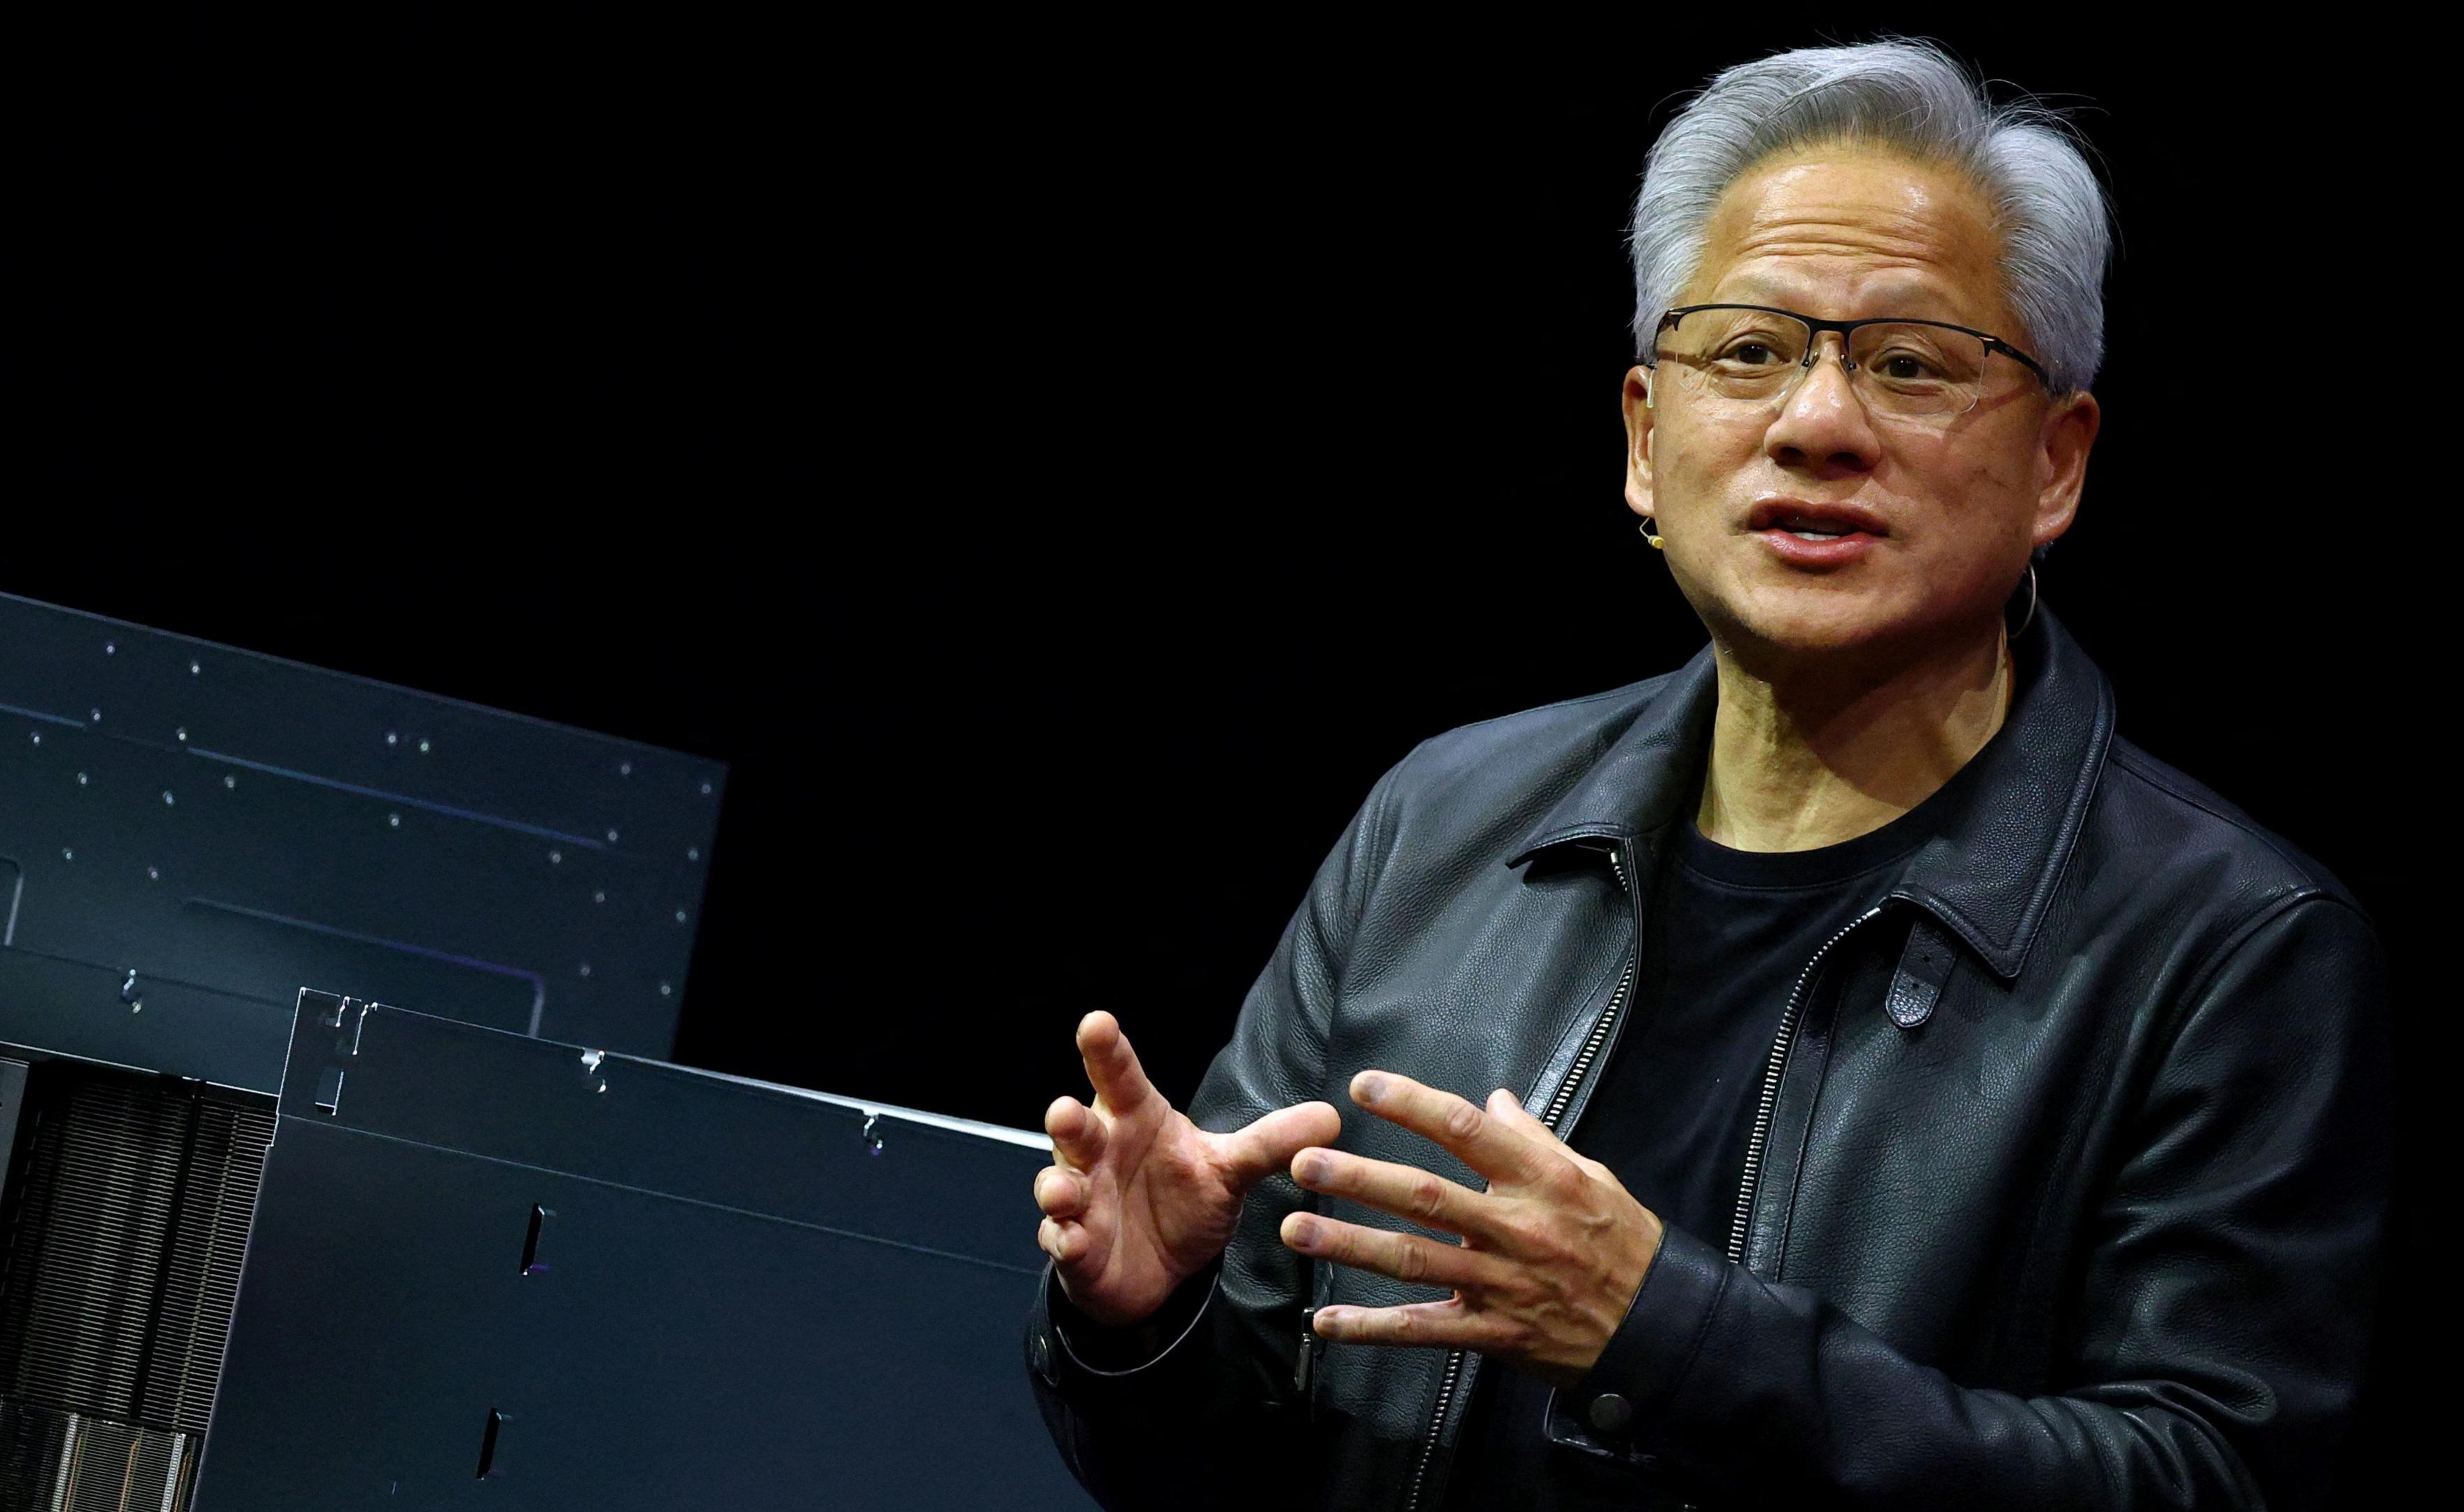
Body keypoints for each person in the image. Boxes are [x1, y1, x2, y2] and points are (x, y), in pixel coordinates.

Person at [1020, 38, 2389, 1512]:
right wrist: (1148, 1323)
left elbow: (2210, 1479)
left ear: (2057, 463)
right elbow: (1224, 1463)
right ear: (1643, 438)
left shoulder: (2231, 950)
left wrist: (1667, 1338)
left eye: (1910, 364)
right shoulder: (1442, 825)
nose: (1816, 424)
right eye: (1747, 352)